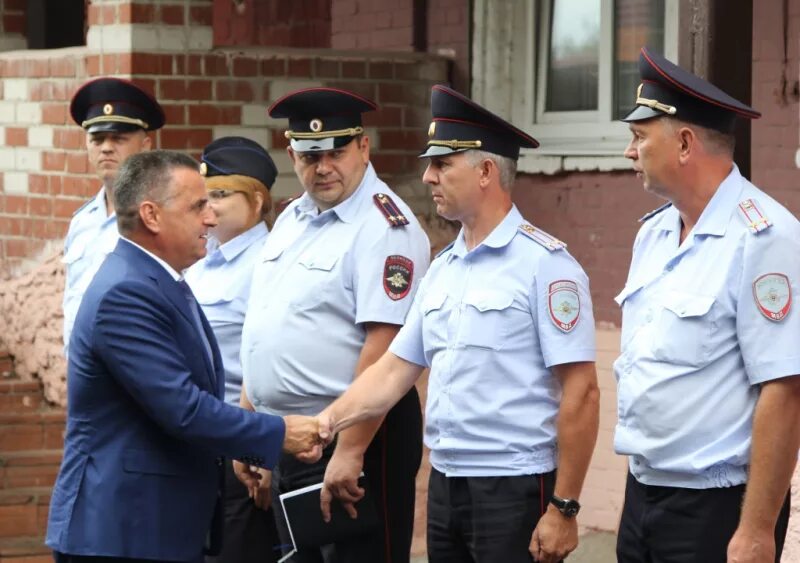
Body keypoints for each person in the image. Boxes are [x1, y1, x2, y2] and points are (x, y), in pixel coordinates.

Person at [317, 85, 601, 563]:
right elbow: (392, 373)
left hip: (513, 486)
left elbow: (582, 392)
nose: (428, 177)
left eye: (442, 164)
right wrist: (325, 425)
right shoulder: (444, 266)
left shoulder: (546, 265)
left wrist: (564, 506)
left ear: (486, 171)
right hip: (448, 482)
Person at [46, 150, 324, 563]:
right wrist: (279, 433)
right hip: (120, 531)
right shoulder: (127, 292)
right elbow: (184, 409)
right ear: (152, 216)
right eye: (197, 206)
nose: (210, 219)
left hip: (151, 526)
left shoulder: (157, 278)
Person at [614, 47, 800, 563]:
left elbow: (784, 390)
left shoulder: (764, 237)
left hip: (715, 508)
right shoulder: (653, 235)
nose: (629, 152)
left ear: (685, 142)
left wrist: (758, 528)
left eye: (638, 136)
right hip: (642, 494)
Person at [238, 87, 431, 563]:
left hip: (354, 437)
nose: (322, 167)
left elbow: (385, 348)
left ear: (363, 148)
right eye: (309, 155)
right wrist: (251, 426)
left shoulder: (386, 227)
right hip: (289, 435)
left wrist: (351, 448)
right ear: (291, 153)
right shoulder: (293, 218)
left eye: (336, 152)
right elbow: (265, 325)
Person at [185, 137, 282, 563]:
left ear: (257, 201)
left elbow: (269, 360)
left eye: (221, 195)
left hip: (239, 446)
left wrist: (257, 452)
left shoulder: (269, 263)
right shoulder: (202, 260)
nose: (209, 206)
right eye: (204, 196)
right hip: (200, 441)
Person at [62, 77, 163, 354]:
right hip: (82, 375)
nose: (106, 147)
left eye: (118, 138)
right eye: (97, 138)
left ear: (145, 145)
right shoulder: (82, 222)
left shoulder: (162, 218)